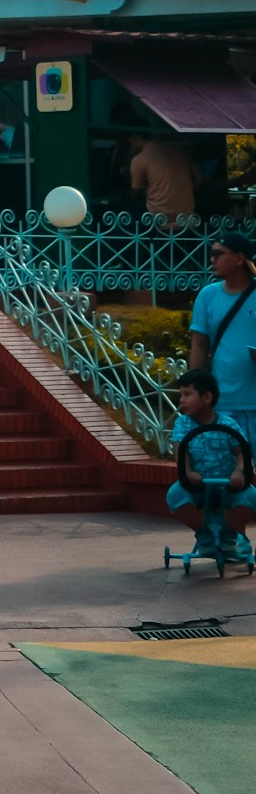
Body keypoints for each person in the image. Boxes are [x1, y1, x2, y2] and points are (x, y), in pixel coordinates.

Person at [165, 371, 256, 561]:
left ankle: (228, 535)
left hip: (228, 484)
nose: (182, 400)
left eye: (188, 394)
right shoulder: (183, 423)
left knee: (251, 498)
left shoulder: (227, 423)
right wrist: (188, 472)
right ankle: (204, 535)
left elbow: (241, 451)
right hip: (196, 484)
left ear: (207, 397)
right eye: (181, 394)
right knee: (176, 496)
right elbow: (181, 451)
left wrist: (239, 471)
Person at [188, 229, 256, 446]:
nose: (212, 260)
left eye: (218, 254)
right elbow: (199, 344)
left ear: (239, 258)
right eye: (212, 254)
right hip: (222, 402)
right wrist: (193, 388)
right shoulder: (208, 295)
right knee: (226, 472)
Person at [131, 134, 198, 224]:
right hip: (186, 216)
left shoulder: (140, 159)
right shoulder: (180, 152)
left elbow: (136, 192)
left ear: (135, 139)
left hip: (159, 215)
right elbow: (200, 179)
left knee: (126, 214)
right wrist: (184, 191)